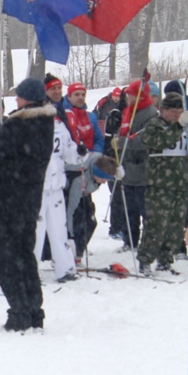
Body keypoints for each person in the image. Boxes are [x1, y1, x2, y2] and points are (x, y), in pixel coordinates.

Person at [0, 78, 55, 332]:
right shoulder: (44, 122)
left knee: (6, 258)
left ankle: (19, 312)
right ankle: (34, 311)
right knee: (24, 256)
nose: (16, 100)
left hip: (8, 199)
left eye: (18, 96)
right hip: (29, 201)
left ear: (25, 98)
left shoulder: (20, 124)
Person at [136, 93, 188, 275]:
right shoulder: (154, 125)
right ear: (164, 110)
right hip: (160, 184)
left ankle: (166, 260)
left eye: (180, 112)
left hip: (180, 183)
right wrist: (178, 126)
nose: (177, 115)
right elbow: (162, 141)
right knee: (156, 224)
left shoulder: (183, 128)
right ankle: (145, 260)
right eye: (174, 112)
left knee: (175, 225)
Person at [35, 104, 86, 283]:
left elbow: (67, 151)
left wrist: (78, 153)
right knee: (36, 231)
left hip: (56, 186)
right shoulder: (32, 126)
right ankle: (30, 271)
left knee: (59, 230)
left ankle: (65, 269)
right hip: (37, 187)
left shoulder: (59, 127)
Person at [111, 80, 159, 251]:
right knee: (129, 209)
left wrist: (123, 142)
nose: (127, 96)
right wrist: (116, 140)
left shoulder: (150, 113)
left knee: (144, 210)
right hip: (127, 169)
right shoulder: (128, 111)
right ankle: (129, 240)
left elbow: (145, 140)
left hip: (142, 169)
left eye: (131, 93)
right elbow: (124, 133)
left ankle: (148, 243)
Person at [62, 82, 106, 261]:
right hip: (69, 172)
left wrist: (94, 156)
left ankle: (78, 249)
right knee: (73, 213)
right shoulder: (63, 114)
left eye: (83, 94)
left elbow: (99, 139)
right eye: (76, 94)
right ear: (69, 96)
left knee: (89, 216)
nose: (80, 97)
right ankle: (68, 249)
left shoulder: (91, 117)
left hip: (86, 169)